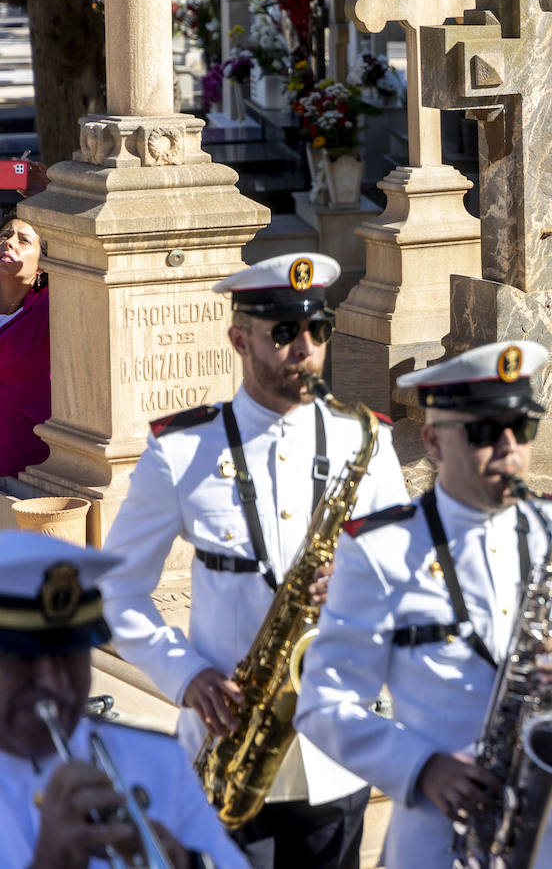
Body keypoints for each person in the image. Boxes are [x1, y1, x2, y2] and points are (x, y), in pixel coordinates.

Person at [97, 252, 410, 869]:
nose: (306, 348)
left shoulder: (364, 439)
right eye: (285, 332)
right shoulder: (182, 449)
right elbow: (115, 590)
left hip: (333, 754)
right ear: (240, 339)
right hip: (228, 749)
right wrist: (185, 675)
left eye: (318, 330)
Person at [294, 340, 552, 869]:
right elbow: (324, 702)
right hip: (444, 839)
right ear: (434, 443)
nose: (511, 450)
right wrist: (421, 768)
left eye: (523, 429)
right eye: (486, 433)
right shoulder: (381, 549)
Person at [0, 531, 250, 869]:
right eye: (25, 659)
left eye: (69, 655)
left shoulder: (159, 759)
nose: (54, 683)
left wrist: (187, 861)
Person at [0, 215, 51, 478]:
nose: (9, 243)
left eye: (24, 240)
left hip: (20, 455)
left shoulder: (49, 308)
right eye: (5, 235)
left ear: (43, 264)